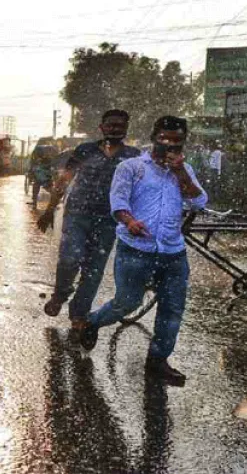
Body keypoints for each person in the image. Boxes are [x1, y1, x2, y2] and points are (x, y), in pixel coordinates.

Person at [79, 116, 207, 386]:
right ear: (154, 137)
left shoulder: (184, 169)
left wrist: (181, 172)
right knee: (128, 302)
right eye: (164, 138)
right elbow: (118, 201)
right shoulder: (132, 167)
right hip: (136, 249)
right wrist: (129, 221)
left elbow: (199, 201)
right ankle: (93, 322)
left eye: (176, 140)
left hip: (173, 252)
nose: (170, 144)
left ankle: (158, 361)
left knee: (173, 309)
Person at [38, 110, 141, 331]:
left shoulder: (134, 157)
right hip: (77, 214)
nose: (115, 129)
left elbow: (141, 190)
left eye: (120, 126)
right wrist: (49, 210)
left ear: (126, 129)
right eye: (110, 125)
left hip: (109, 220)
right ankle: (60, 294)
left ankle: (79, 315)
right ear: (101, 127)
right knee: (69, 258)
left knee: (93, 271)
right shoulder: (85, 150)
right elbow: (64, 179)